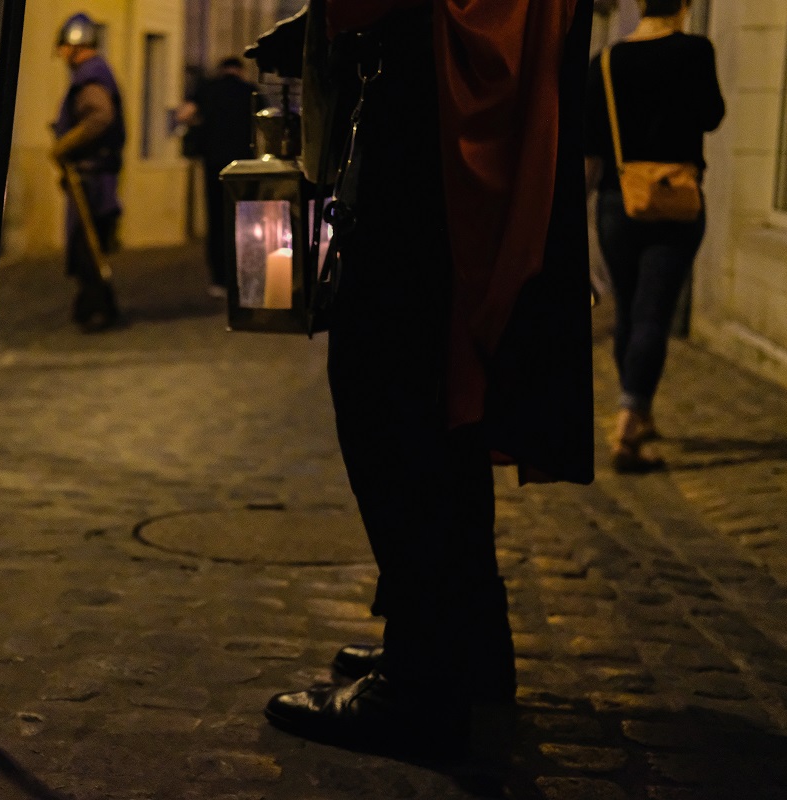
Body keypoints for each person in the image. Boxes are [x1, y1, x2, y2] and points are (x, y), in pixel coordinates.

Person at [246, 0, 594, 757]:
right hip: (433, 77)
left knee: (390, 387)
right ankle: (459, 644)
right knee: (436, 391)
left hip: (432, 95)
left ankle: (423, 681)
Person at [584, 0, 725, 472]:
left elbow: (589, 146)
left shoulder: (604, 62)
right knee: (653, 313)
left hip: (616, 200)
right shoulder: (695, 51)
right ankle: (628, 422)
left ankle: (637, 409)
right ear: (685, 5)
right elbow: (712, 115)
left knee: (630, 309)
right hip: (676, 198)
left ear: (640, 4)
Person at [52, 12, 126, 332]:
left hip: (92, 176)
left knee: (87, 246)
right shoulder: (94, 73)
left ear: (74, 45)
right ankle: (94, 304)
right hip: (93, 173)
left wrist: (64, 145)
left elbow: (99, 117)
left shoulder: (91, 77)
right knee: (87, 244)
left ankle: (97, 308)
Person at [176, 58, 265, 296]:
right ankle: (242, 276)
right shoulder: (250, 91)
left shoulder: (207, 89)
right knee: (243, 220)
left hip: (214, 165)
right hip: (243, 166)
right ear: (241, 71)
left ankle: (219, 279)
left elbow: (184, 115)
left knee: (216, 221)